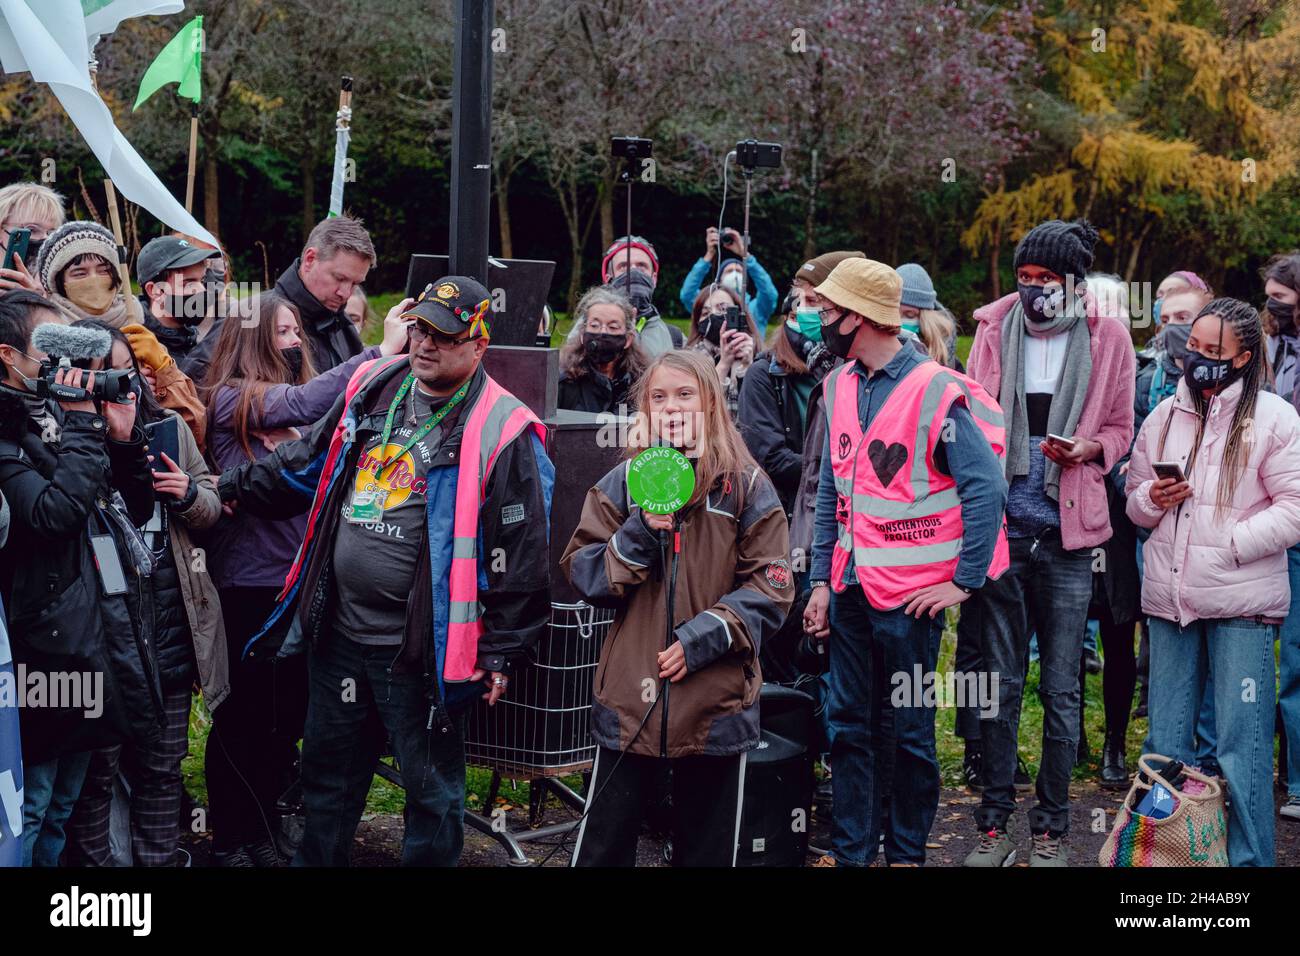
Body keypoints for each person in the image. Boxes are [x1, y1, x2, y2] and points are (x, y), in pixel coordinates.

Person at [217, 276, 554, 866]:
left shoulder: (503, 425)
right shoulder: (375, 385)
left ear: (479, 345)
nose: (425, 344)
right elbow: (307, 462)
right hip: (340, 637)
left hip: (422, 651)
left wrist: (502, 651)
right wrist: (226, 489)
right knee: (327, 782)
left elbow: (520, 550)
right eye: (420, 328)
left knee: (432, 798)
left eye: (444, 335)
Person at [801, 258, 1009, 867]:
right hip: (850, 587)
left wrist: (964, 583)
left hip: (913, 598)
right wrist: (819, 579)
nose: (819, 322)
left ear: (860, 319)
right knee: (847, 727)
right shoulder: (839, 384)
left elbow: (985, 489)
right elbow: (831, 490)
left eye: (828, 312)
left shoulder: (934, 388)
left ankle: (907, 855)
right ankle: (853, 854)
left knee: (911, 734)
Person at [199, 290, 410, 866]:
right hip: (248, 583)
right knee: (242, 716)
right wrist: (382, 350)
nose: (296, 342)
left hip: (299, 582)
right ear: (252, 338)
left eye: (298, 331)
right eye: (284, 332)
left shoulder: (301, 418)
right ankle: (231, 837)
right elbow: (303, 398)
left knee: (285, 716)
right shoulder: (231, 400)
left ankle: (265, 825)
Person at [562, 348, 792, 866]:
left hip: (715, 703)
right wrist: (639, 534)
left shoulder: (746, 486)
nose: (672, 407)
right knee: (604, 845)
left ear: (710, 403)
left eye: (685, 394)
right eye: (659, 397)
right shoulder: (624, 483)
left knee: (706, 850)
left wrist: (702, 638)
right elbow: (583, 571)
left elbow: (772, 586)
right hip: (630, 701)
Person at [963, 219, 1135, 867]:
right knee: (1002, 685)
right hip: (1004, 531)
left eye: (1047, 281)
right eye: (1025, 279)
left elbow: (1121, 426)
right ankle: (994, 823)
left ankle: (1052, 829)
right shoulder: (992, 329)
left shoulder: (1108, 337)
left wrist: (1091, 448)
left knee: (1062, 689)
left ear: (1073, 283)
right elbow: (969, 417)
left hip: (1067, 535)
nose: (1034, 291)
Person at [1127, 297, 1300, 866]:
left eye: (1212, 352)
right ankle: (1164, 865)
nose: (1195, 359)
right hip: (1170, 603)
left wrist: (1229, 546)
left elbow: (1295, 508)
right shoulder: (1163, 416)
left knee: (1241, 749)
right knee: (1164, 749)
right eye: (1192, 347)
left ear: (1244, 357)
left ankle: (1250, 867)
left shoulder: (1275, 418)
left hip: (1241, 606)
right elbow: (1133, 505)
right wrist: (1152, 499)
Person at [61, 322, 227, 867]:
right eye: (97, 373)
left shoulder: (171, 429)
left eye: (121, 370)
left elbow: (213, 508)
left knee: (162, 766)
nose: (112, 383)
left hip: (170, 617)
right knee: (97, 771)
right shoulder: (62, 435)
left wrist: (188, 496)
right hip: (104, 629)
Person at [0, 290, 157, 866]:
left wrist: (119, 438)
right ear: (7, 354)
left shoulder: (53, 413)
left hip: (91, 635)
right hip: (39, 649)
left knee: (63, 804)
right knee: (30, 805)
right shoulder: (8, 429)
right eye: (51, 351)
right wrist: (87, 427)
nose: (65, 367)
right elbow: (51, 517)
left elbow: (130, 509)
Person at [1262, 252, 1300, 822]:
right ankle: (1288, 778)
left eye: (1283, 300)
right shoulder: (1267, 349)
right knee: (1287, 657)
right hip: (1278, 515)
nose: (1272, 308)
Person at [274, 214, 372, 372]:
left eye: (355, 284)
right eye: (339, 278)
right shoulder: (252, 319)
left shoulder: (344, 327)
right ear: (310, 259)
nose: (346, 294)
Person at [135, 235, 222, 378]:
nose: (202, 290)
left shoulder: (194, 338)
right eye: (188, 283)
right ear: (155, 291)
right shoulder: (137, 350)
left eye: (202, 280)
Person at [558, 286, 647, 414]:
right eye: (595, 325)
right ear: (582, 335)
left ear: (628, 339)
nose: (603, 332)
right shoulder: (562, 381)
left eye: (613, 327)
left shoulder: (641, 383)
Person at [679, 227, 780, 336]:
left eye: (739, 271)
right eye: (729, 271)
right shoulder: (710, 305)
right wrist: (708, 255)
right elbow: (687, 295)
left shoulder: (756, 309)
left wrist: (745, 255)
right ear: (719, 280)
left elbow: (769, 294)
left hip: (751, 352)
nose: (735, 274)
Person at [687, 283, 760, 419]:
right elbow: (697, 413)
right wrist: (724, 364)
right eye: (705, 313)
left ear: (739, 315)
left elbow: (760, 412)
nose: (714, 315)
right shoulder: (687, 363)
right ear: (697, 321)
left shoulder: (761, 358)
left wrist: (747, 367)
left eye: (723, 309)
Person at [600, 236, 682, 356]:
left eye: (641, 266)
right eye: (623, 266)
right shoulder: (588, 329)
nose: (633, 272)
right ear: (608, 279)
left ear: (654, 279)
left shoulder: (675, 338)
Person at [0, 182, 64, 293]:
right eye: (32, 230)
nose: (45, 238)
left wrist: (37, 302)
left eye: (51, 232)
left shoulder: (58, 285)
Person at [895, 263, 962, 369]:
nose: (898, 322)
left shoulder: (949, 364)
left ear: (925, 320)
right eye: (893, 312)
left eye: (909, 315)